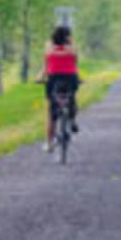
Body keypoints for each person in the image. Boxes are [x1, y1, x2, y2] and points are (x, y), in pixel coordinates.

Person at [36, 24, 80, 152]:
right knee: (72, 99)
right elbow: (75, 63)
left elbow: (46, 64)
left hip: (54, 78)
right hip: (70, 77)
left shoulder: (49, 47)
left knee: (51, 112)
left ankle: (49, 143)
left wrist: (40, 77)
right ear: (68, 36)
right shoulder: (72, 47)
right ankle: (72, 119)